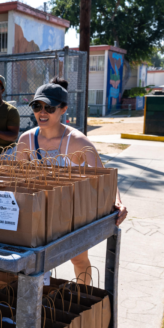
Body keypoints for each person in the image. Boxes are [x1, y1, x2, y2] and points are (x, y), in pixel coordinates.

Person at [14, 77, 128, 283]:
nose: (42, 112)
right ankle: (36, 305)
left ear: (63, 109)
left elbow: (104, 176)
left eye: (49, 107)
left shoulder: (76, 141)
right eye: (37, 106)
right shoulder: (26, 140)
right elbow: (17, 180)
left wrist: (117, 201)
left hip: (70, 213)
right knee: (32, 263)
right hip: (37, 211)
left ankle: (83, 299)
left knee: (78, 259)